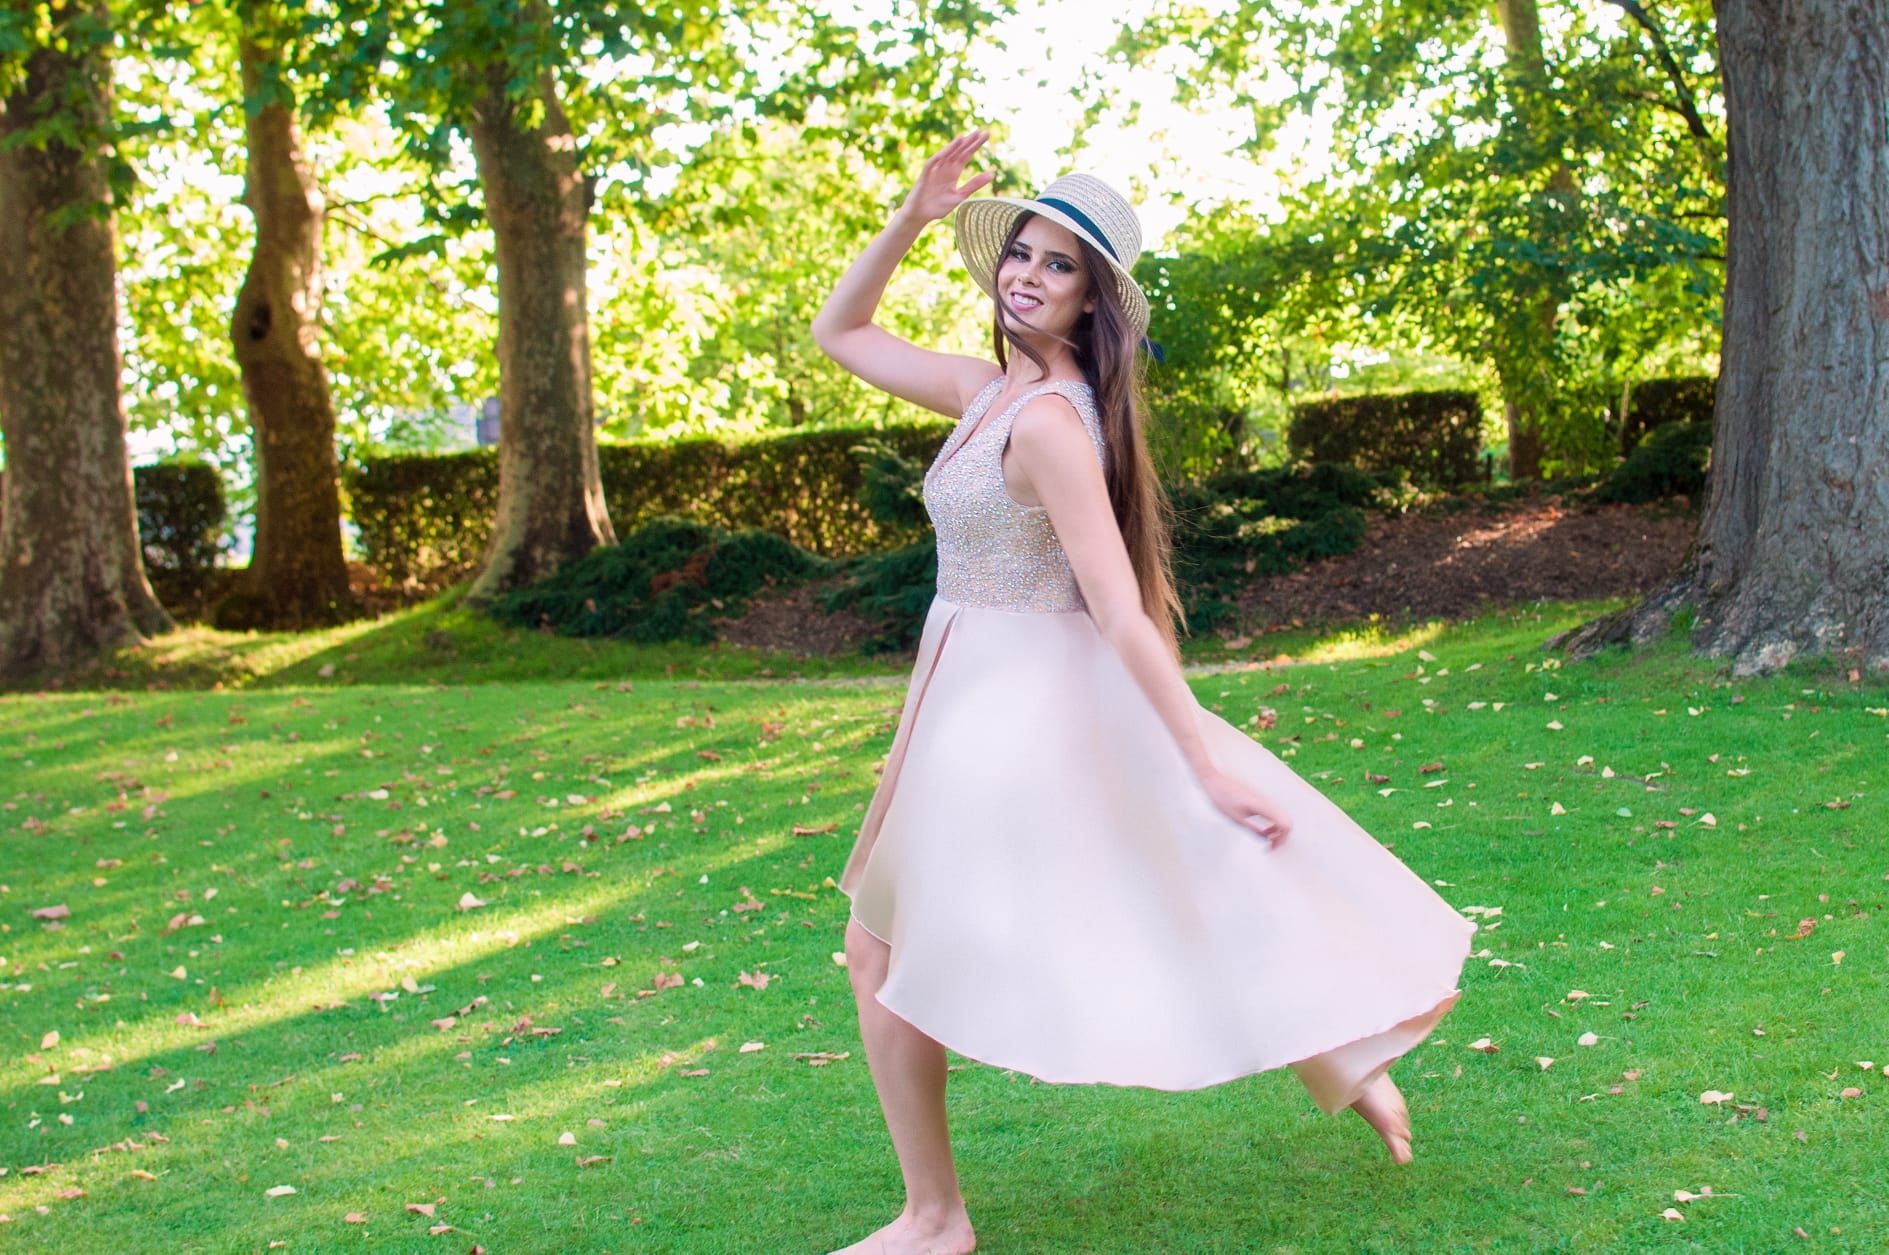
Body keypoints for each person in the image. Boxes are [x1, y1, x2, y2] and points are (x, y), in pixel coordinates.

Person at [810, 130, 1475, 1255]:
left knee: (893, 940)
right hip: (965, 688)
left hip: (1016, 705)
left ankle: (935, 1220)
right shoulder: (984, 392)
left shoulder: (1048, 424)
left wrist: (1204, 756)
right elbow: (841, 333)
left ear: (1092, 303)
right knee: (1099, 887)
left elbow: (1118, 607)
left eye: (1057, 264)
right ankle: (1341, 1053)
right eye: (1017, 251)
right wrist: (912, 217)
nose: (1025, 273)